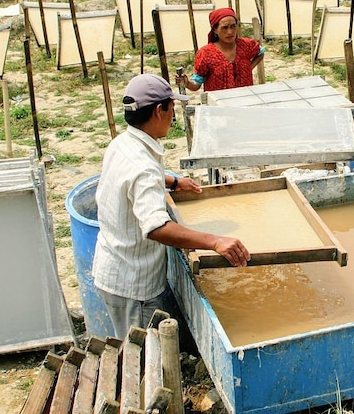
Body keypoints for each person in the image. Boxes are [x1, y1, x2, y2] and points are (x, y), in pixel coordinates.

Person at [93, 73, 251, 339]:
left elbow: (130, 179)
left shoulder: (123, 143)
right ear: (158, 111)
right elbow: (156, 227)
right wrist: (215, 241)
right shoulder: (142, 165)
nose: (172, 114)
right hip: (134, 285)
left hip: (113, 265)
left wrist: (173, 181)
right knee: (143, 359)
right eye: (172, 107)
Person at [176, 7, 265, 92]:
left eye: (233, 26)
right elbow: (197, 83)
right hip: (219, 105)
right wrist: (187, 83)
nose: (230, 32)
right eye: (224, 28)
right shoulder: (205, 54)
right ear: (215, 30)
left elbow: (261, 52)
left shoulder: (246, 46)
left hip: (245, 100)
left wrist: (249, 67)